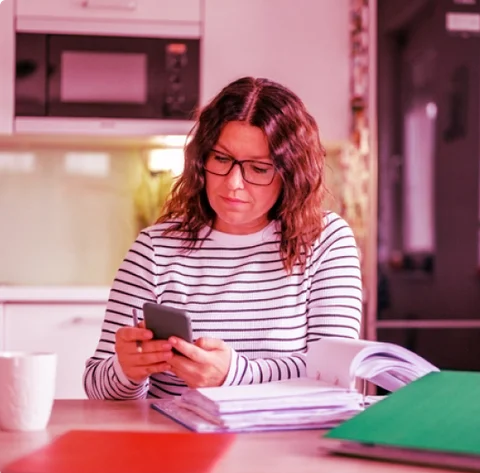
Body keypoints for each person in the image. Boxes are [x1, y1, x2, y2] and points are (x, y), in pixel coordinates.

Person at [83, 77, 363, 399]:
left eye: (258, 169)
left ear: (291, 173)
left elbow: (334, 375)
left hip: (281, 442)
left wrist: (233, 374)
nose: (233, 184)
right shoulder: (154, 249)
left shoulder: (326, 241)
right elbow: (97, 386)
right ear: (201, 159)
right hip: (175, 446)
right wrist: (126, 371)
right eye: (221, 159)